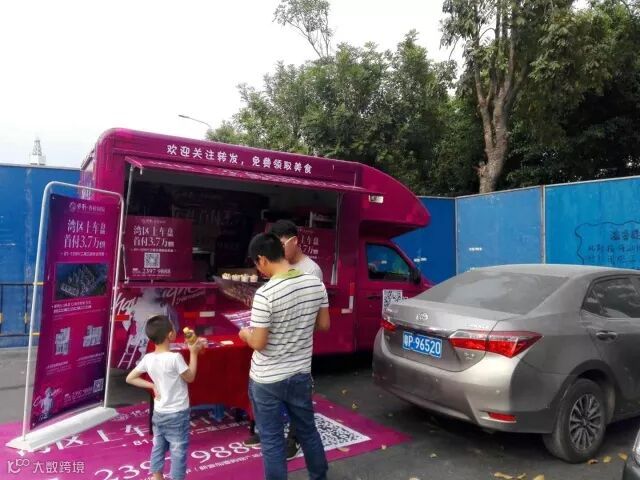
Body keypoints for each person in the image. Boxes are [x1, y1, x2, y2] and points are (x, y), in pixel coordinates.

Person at [239, 233, 330, 480]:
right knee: (308, 432)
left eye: (257, 264)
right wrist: (298, 325)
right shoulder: (316, 284)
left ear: (262, 260)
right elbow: (324, 325)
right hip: (300, 374)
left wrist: (245, 334)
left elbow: (258, 343)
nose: (259, 270)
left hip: (266, 380)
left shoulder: (265, 294)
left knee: (272, 441)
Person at [126, 315, 204, 480]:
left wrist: (152, 386)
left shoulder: (148, 358)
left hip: (159, 412)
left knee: (158, 446)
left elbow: (130, 378)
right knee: (178, 450)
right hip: (177, 413)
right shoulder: (175, 358)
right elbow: (190, 377)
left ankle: (157, 476)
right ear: (170, 335)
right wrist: (194, 353)